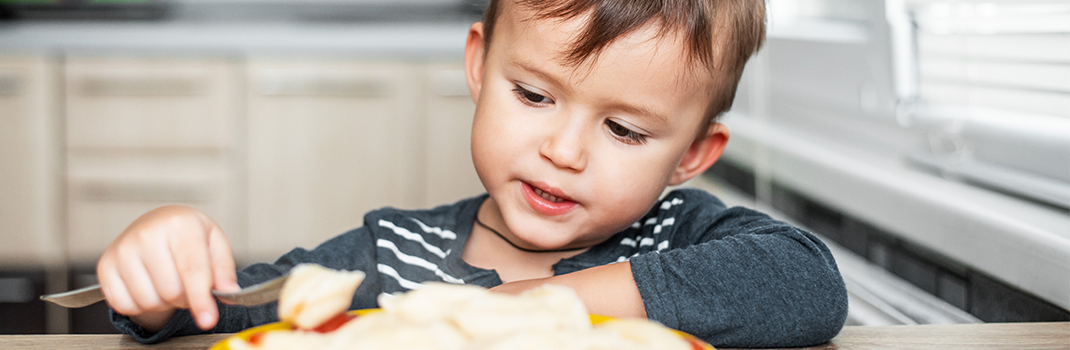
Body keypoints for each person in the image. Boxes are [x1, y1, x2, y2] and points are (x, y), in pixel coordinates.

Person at [97, 0, 849, 347]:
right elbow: (229, 314)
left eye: (623, 129)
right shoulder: (391, 258)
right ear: (478, 67)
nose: (564, 150)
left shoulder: (676, 239)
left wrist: (526, 310)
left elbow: (806, 281)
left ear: (691, 155)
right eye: (533, 94)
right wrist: (162, 276)